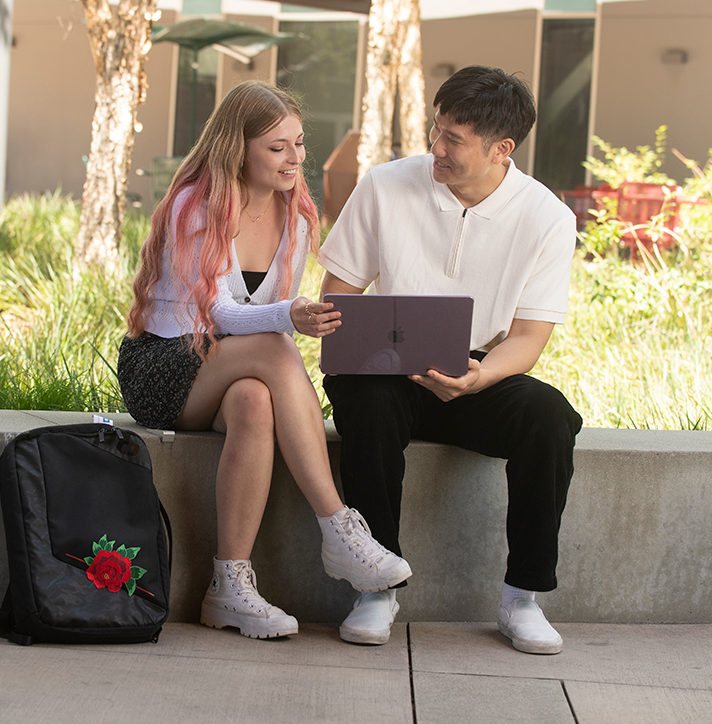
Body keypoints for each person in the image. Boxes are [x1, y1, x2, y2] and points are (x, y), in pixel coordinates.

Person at [117, 81, 412, 641]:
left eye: (299, 144)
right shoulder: (194, 206)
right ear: (238, 148)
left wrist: (294, 316)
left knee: (255, 403)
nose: (296, 159)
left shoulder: (296, 217)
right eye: (278, 148)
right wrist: (289, 316)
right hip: (163, 366)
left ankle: (228, 587)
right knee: (276, 345)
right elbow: (222, 316)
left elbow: (267, 320)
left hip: (230, 369)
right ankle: (338, 527)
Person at [317, 66, 583, 653]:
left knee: (548, 415)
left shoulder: (546, 218)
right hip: (384, 370)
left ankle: (522, 597)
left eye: (453, 140)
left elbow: (530, 336)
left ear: (501, 148)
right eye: (436, 131)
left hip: (475, 372)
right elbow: (340, 295)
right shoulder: (386, 185)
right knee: (369, 399)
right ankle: (376, 588)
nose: (435, 148)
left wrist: (479, 376)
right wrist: (342, 332)